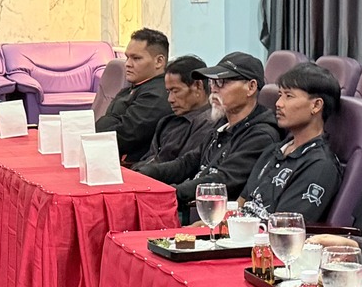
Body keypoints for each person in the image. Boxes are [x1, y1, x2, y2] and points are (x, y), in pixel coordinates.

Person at [143, 51, 281, 222]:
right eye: (213, 82)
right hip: (193, 208)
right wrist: (143, 174)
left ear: (251, 87)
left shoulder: (261, 135)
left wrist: (169, 194)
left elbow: (222, 180)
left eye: (223, 82)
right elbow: (187, 163)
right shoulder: (222, 124)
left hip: (218, 220)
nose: (214, 88)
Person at [240, 63, 344, 222]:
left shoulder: (319, 165)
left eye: (288, 96)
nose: (278, 103)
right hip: (238, 230)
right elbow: (242, 202)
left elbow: (286, 228)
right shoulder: (274, 150)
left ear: (316, 105)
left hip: (263, 236)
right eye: (279, 95)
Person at [96, 27, 171, 164]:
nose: (128, 64)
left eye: (136, 58)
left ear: (159, 61)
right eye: (127, 57)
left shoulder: (157, 94)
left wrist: (105, 122)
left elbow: (121, 137)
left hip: (133, 167)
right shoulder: (134, 87)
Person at [133, 56, 213, 176]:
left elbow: (183, 169)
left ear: (198, 85)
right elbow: (150, 158)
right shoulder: (167, 122)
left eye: (176, 91)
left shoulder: (208, 124)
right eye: (168, 92)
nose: (170, 99)